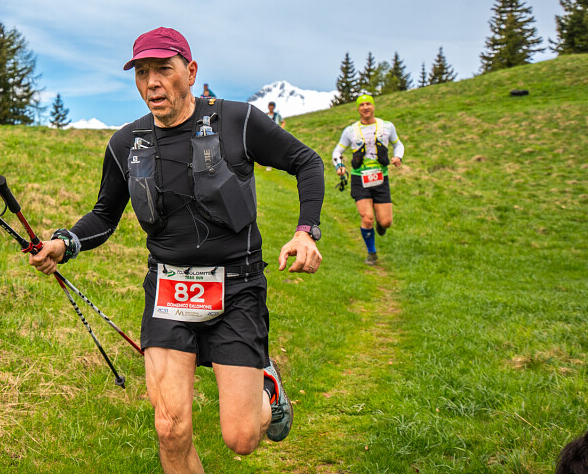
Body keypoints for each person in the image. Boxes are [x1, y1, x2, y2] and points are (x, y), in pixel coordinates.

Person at [29, 27, 325, 473]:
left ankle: (267, 387)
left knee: (242, 438)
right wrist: (64, 243)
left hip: (237, 288)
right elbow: (105, 215)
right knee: (170, 428)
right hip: (169, 290)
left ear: (190, 71)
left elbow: (307, 161)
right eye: (142, 72)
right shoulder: (125, 143)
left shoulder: (236, 121)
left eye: (163, 70)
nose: (152, 82)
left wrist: (305, 231)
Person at [331, 94, 404, 266]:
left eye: (368, 104)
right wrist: (339, 167)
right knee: (367, 217)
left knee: (386, 222)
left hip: (381, 178)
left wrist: (397, 157)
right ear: (358, 109)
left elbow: (398, 144)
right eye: (361, 105)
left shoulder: (387, 126)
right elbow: (337, 152)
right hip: (359, 179)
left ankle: (381, 225)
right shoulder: (350, 131)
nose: (365, 107)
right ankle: (372, 252)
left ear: (373, 106)